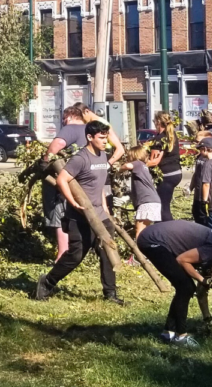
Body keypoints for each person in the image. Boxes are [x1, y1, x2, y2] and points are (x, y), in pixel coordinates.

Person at [35, 121, 123, 306]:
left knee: (108, 251)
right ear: (89, 137)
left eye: (106, 137)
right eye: (101, 137)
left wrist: (105, 208)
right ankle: (48, 282)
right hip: (80, 216)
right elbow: (61, 180)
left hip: (100, 215)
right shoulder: (80, 158)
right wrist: (73, 202)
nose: (105, 141)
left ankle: (111, 293)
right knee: (75, 256)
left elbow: (97, 185)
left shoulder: (103, 156)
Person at [137, 220, 212, 347]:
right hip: (152, 240)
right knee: (185, 287)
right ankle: (181, 336)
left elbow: (201, 291)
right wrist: (202, 279)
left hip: (158, 240)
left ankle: (168, 333)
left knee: (185, 287)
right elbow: (182, 260)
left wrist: (208, 320)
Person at [41, 106, 88, 261]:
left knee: (59, 212)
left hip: (68, 178)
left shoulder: (71, 128)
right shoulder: (89, 130)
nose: (63, 122)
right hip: (85, 178)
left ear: (70, 116)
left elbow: (56, 146)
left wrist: (46, 160)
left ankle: (62, 252)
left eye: (64, 118)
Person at [146, 111, 181, 222]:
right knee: (165, 204)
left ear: (158, 122)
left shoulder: (159, 139)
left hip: (166, 175)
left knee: (162, 207)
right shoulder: (172, 135)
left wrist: (137, 165)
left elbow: (154, 161)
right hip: (176, 173)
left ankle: (168, 231)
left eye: (154, 121)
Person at [123, 145, 161, 241]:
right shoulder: (144, 166)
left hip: (146, 202)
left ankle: (140, 251)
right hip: (153, 201)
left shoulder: (138, 164)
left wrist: (118, 170)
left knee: (139, 231)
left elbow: (127, 166)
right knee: (145, 229)